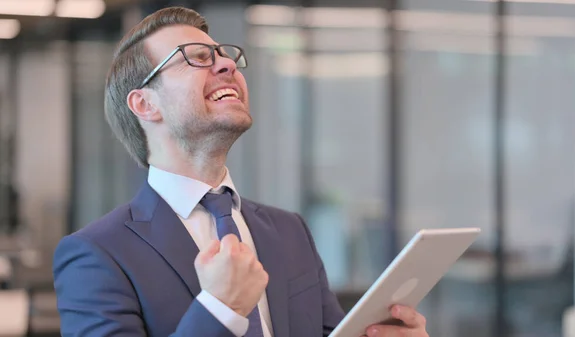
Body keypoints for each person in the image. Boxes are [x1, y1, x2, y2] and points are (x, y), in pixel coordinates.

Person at [53, 6, 429, 337]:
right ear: (145, 103)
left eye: (224, 55)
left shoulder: (290, 231)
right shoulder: (96, 254)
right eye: (195, 57)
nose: (227, 64)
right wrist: (220, 309)